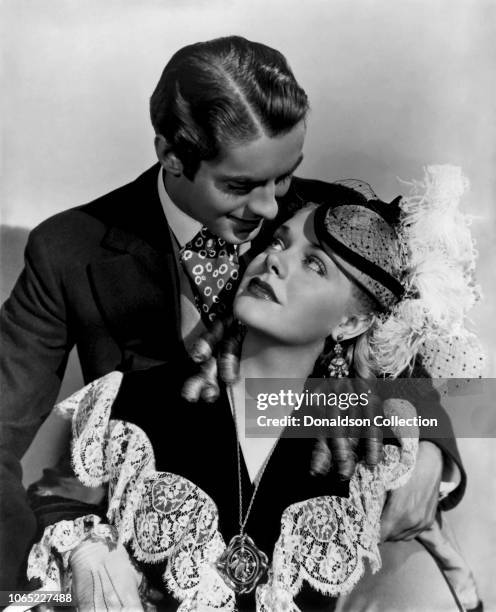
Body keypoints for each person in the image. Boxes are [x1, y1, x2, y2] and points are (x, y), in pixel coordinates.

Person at [0, 33, 459, 593]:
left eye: (284, 176)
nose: (270, 208)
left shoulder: (326, 222)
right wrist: (58, 567)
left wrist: (432, 448)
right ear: (171, 155)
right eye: (240, 185)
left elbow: (392, 333)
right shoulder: (68, 249)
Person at [25, 168, 483, 610]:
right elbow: (37, 550)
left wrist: (430, 447)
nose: (276, 259)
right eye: (279, 241)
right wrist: (85, 556)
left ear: (351, 322)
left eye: (314, 264)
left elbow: (451, 571)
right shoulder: (133, 402)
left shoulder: (365, 448)